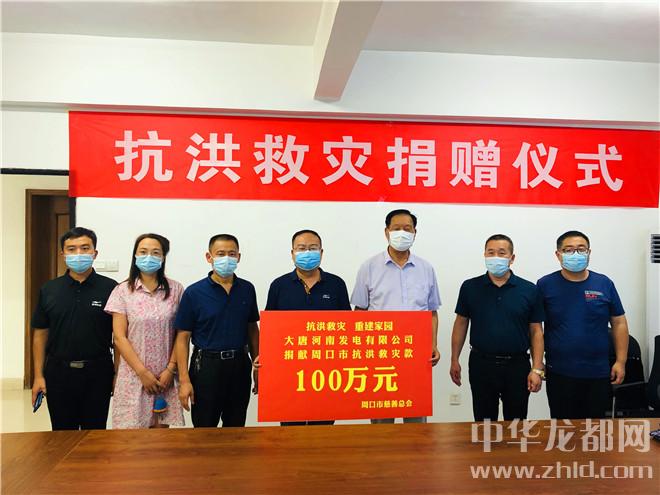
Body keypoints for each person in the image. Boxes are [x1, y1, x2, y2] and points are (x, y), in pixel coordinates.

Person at [351, 209, 441, 423]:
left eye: (407, 229)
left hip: (416, 353)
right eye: (396, 228)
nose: (402, 233)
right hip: (380, 353)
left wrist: (433, 344)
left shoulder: (426, 268)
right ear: (386, 232)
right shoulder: (369, 267)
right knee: (382, 419)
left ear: (415, 233)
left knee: (416, 418)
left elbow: (431, 312)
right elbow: (360, 311)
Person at [449, 234, 545, 421]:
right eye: (491, 252)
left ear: (512, 258)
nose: (496, 257)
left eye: (502, 253)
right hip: (481, 364)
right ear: (484, 255)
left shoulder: (529, 290)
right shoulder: (470, 287)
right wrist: (454, 359)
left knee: (516, 423)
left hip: (517, 365)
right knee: (484, 422)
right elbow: (460, 324)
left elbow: (536, 331)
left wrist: (536, 369)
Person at [30, 227, 117, 430]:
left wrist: (117, 375)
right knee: (62, 434)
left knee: (94, 433)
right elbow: (40, 335)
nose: (78, 254)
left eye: (85, 248)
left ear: (95, 253)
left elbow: (119, 336)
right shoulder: (49, 289)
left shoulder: (111, 288)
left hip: (98, 372)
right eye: (72, 249)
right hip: (58, 372)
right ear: (63, 254)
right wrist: (38, 376)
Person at [538, 230, 629, 419]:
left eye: (581, 249)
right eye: (569, 250)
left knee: (597, 430)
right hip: (560, 372)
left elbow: (619, 322)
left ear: (589, 252)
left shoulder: (604, 283)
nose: (576, 254)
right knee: (564, 429)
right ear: (558, 254)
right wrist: (537, 364)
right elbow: (535, 327)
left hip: (598, 372)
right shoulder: (545, 284)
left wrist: (621, 361)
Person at [265, 229, 351, 426]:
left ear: (321, 252)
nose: (307, 253)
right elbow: (271, 329)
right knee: (290, 425)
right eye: (301, 248)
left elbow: (346, 326)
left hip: (327, 370)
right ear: (292, 253)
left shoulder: (336, 284)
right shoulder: (279, 285)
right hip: (288, 369)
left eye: (313, 248)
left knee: (322, 426)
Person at [174, 234, 259, 427]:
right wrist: (184, 380)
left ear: (239, 257)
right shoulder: (194, 293)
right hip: (206, 367)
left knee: (236, 427)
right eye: (220, 254)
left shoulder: (247, 289)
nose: (226, 258)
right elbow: (182, 338)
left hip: (240, 365)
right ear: (209, 257)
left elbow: (252, 328)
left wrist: (257, 365)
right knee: (204, 429)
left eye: (232, 254)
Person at [104, 233, 185, 429]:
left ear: (163, 257)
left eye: (155, 252)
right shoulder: (122, 291)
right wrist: (142, 373)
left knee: (161, 440)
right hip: (133, 377)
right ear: (135, 256)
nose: (149, 257)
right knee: (132, 439)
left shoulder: (176, 290)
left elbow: (181, 334)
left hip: (165, 379)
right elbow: (119, 337)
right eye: (143, 252)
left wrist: (170, 369)